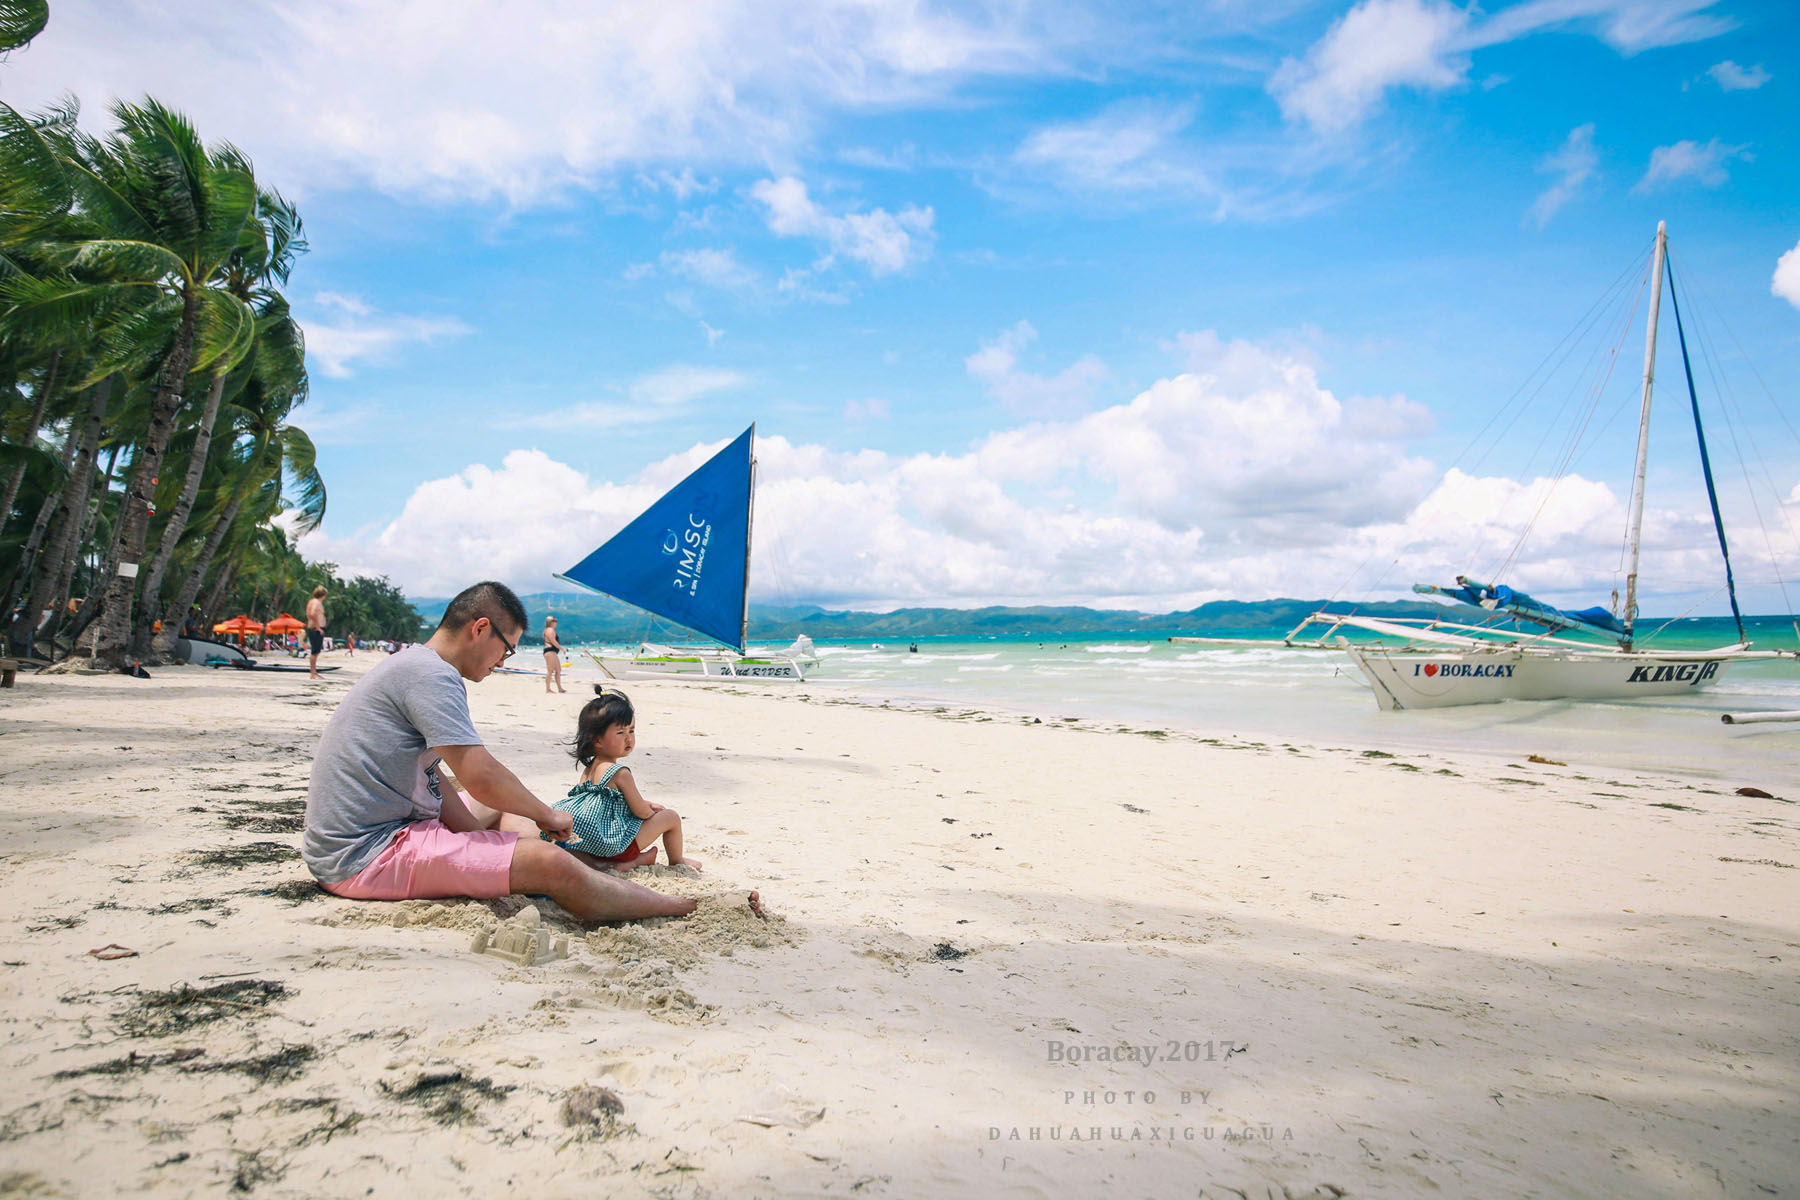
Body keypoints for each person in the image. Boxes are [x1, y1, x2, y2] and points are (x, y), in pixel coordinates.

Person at [302, 581, 695, 921]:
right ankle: (679, 906)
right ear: (480, 629)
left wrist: (481, 838)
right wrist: (546, 813)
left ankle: (598, 870)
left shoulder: (413, 665)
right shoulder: (432, 676)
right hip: (365, 855)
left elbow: (433, 777)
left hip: (360, 841)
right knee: (547, 861)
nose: (502, 662)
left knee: (507, 825)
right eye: (506, 650)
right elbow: (480, 776)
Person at [549, 689, 699, 872]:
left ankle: (637, 860)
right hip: (612, 848)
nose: (629, 738)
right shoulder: (619, 772)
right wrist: (650, 810)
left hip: (586, 846)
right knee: (671, 817)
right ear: (597, 740)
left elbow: (602, 802)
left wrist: (645, 803)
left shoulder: (589, 770)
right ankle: (677, 861)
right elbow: (641, 812)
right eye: (621, 732)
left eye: (632, 730)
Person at [305, 586, 328, 680]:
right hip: (315, 629)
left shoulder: (312, 601)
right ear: (323, 595)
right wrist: (318, 627)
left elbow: (310, 614)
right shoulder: (316, 602)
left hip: (313, 628)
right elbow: (313, 613)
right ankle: (313, 673)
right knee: (315, 652)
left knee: (315, 652)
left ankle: (314, 672)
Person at [542, 615, 564, 693]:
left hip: (552, 652)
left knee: (558, 669)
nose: (556, 622)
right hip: (550, 651)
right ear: (550, 622)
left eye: (556, 621)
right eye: (554, 621)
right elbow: (553, 641)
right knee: (550, 670)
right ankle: (548, 689)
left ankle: (560, 688)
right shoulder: (550, 630)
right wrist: (562, 648)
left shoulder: (548, 630)